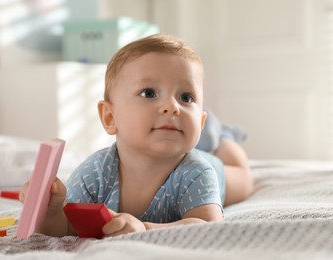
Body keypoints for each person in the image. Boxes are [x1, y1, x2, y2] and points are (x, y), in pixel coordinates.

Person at [20, 34, 253, 237]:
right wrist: (51, 211)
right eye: (149, 93)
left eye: (186, 97)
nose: (172, 107)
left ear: (198, 123)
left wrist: (145, 229)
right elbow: (67, 228)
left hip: (213, 166)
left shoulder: (197, 172)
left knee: (243, 180)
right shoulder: (95, 173)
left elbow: (207, 226)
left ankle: (223, 136)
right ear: (110, 118)